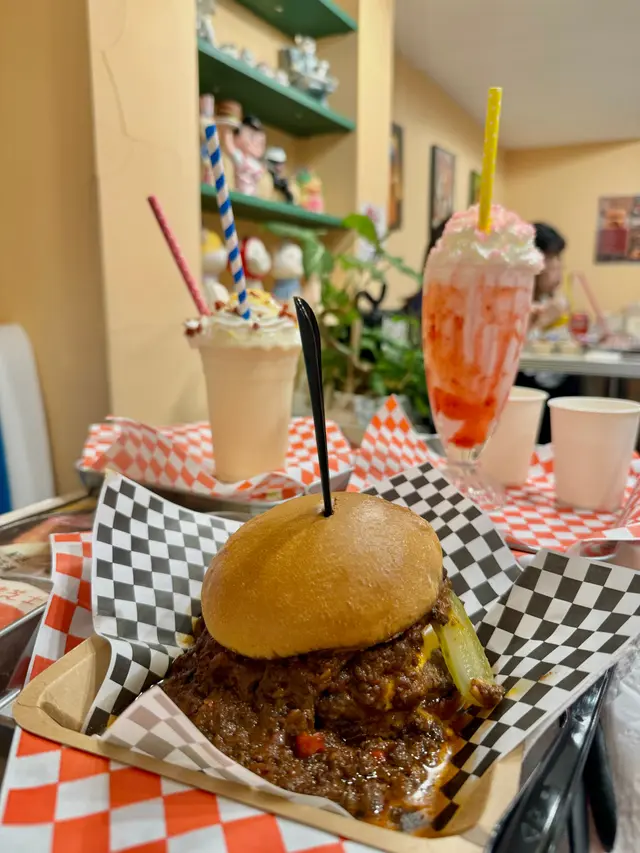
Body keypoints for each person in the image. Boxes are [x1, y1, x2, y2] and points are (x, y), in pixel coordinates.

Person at [516, 222, 580, 443]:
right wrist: (541, 323)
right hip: (527, 400)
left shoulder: (549, 300)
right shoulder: (512, 299)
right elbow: (510, 356)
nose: (557, 267)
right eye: (551, 259)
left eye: (559, 259)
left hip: (555, 394)